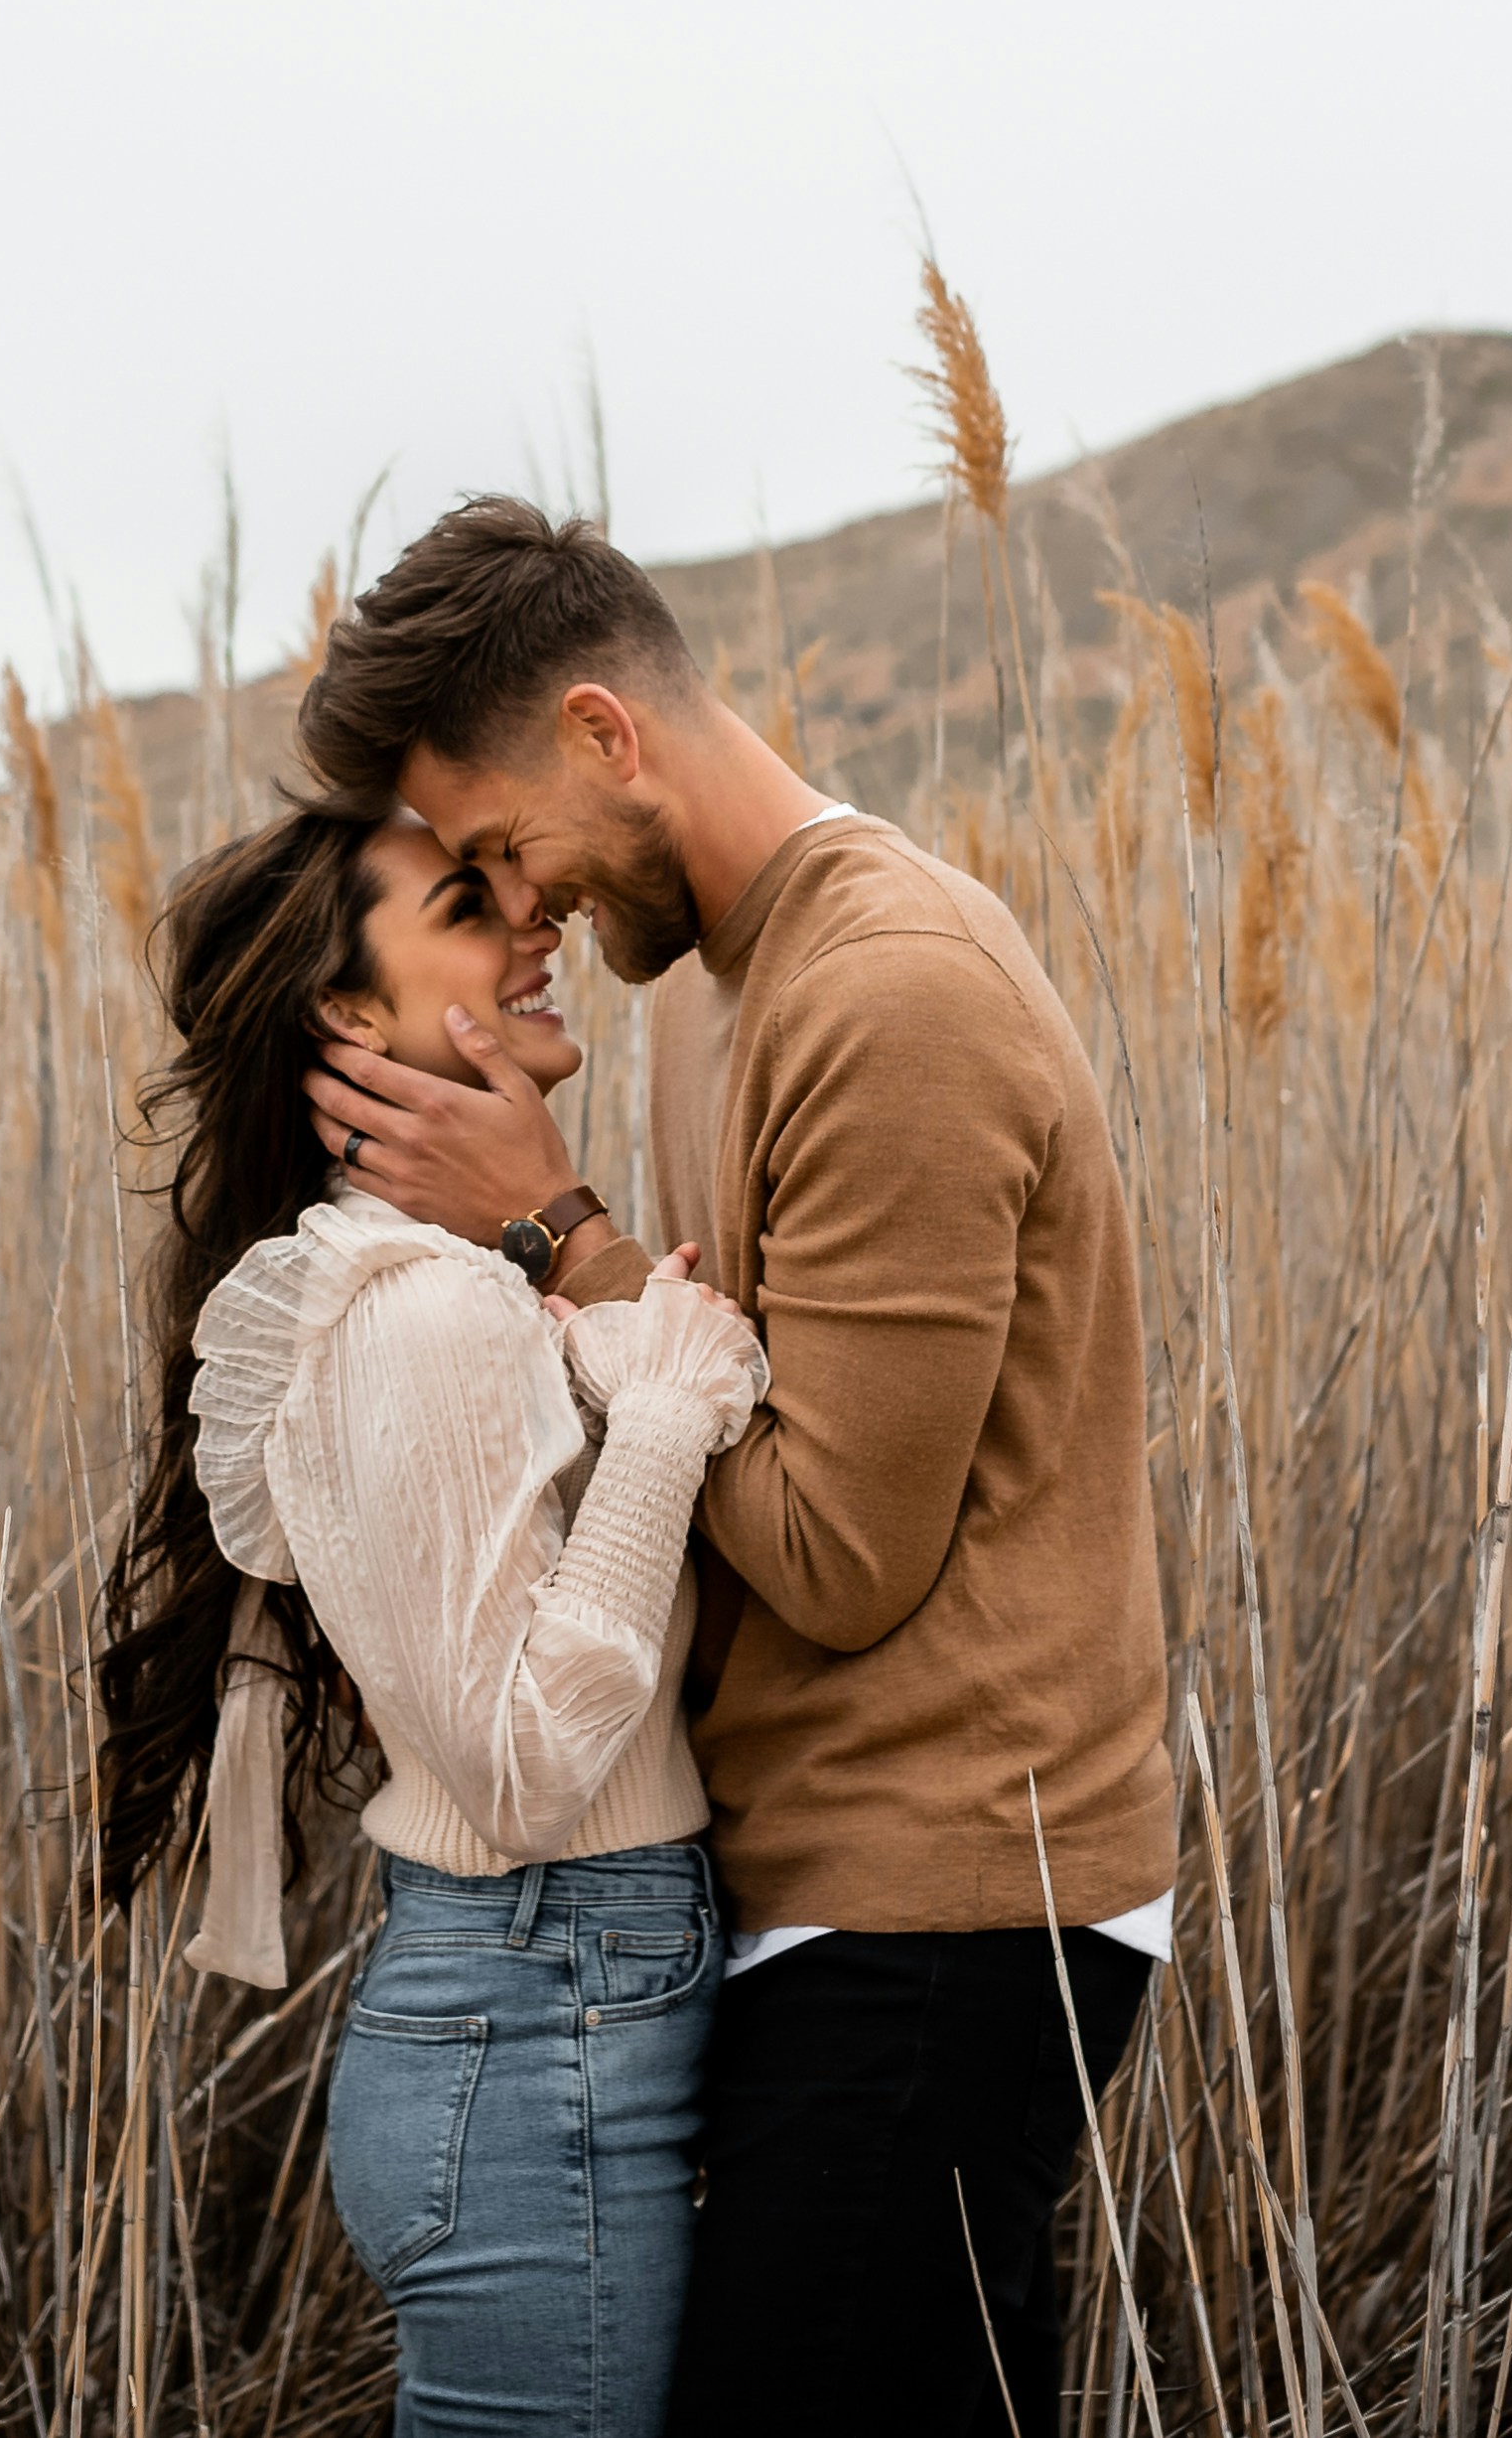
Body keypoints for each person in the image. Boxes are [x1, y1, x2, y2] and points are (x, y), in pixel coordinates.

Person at [296, 496, 1178, 2437]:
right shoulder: (706, 981)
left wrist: (561, 1239)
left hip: (946, 1899)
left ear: (608, 733)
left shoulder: (889, 992)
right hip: (822, 1896)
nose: (516, 910)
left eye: (507, 845)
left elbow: (845, 1552)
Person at [91, 799, 770, 2438]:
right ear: (348, 1009)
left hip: (546, 2018)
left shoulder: (449, 1288)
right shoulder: (421, 1315)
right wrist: (665, 1414)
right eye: (472, 906)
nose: (536, 925)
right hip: (541, 2024)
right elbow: (530, 1765)